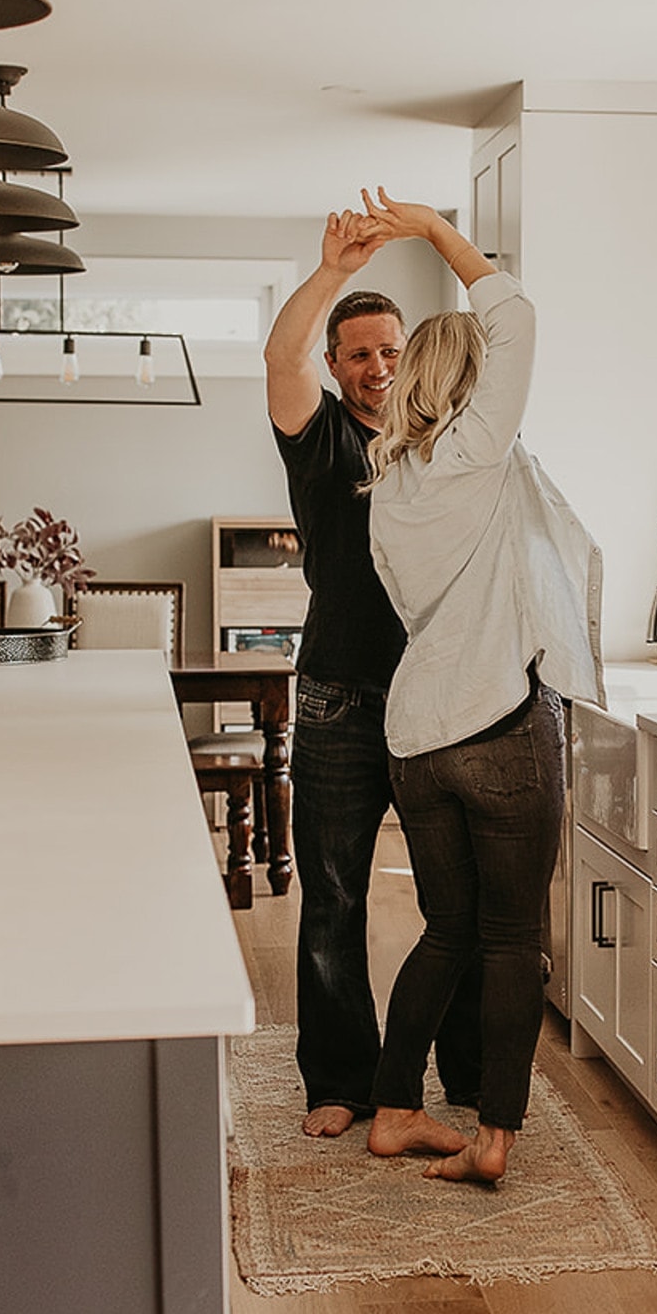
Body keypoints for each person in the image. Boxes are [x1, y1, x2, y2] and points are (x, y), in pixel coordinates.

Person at [353, 189, 603, 1186]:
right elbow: (516, 313)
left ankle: (391, 1110)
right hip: (499, 731)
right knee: (510, 942)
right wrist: (428, 231)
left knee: (445, 933)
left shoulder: (395, 483)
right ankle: (494, 1138)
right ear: (472, 386)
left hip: (417, 739)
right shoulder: (473, 454)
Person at [264, 210, 482, 1138]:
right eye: (356, 354)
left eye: (389, 348)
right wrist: (327, 273)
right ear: (339, 365)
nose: (377, 367)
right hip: (337, 701)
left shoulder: (444, 443)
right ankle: (341, 1081)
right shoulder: (320, 440)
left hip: (436, 704)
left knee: (453, 901)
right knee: (335, 893)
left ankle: (463, 1071)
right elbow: (281, 358)